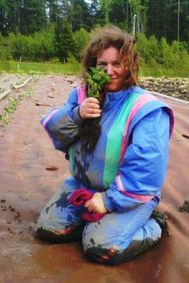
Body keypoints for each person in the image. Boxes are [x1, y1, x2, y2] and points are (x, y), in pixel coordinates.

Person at [35, 25, 174, 265]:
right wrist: (77, 114)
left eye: (117, 64)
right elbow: (57, 131)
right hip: (83, 185)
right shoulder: (82, 96)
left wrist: (108, 201)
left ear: (130, 66)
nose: (109, 71)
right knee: (49, 229)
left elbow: (146, 167)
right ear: (93, 66)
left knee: (100, 247)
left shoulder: (146, 109)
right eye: (102, 65)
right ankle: (97, 221)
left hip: (129, 194)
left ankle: (152, 224)